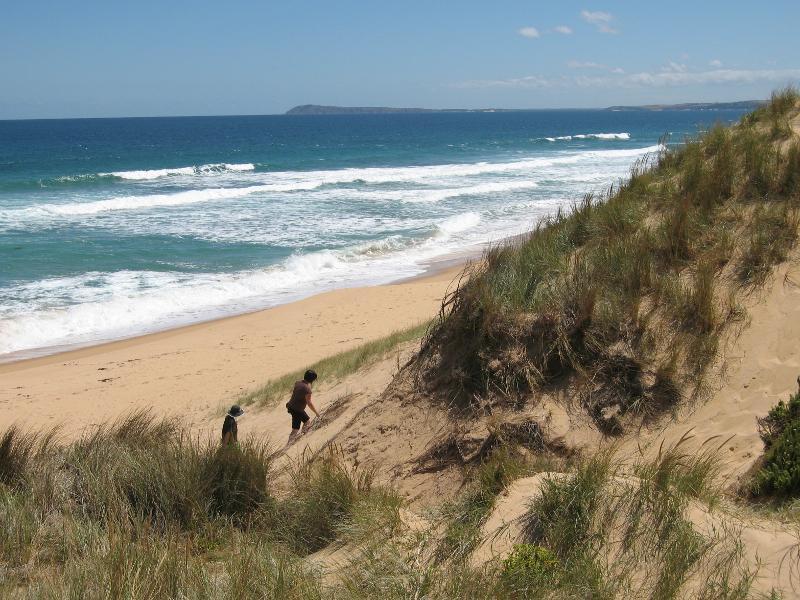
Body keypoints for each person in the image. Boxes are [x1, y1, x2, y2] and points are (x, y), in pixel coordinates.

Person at [285, 369, 320, 447]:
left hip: (291, 405)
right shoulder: (307, 390)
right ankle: (288, 446)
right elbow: (309, 403)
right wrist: (317, 413)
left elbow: (299, 390)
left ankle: (303, 437)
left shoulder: (298, 383)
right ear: (312, 380)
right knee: (295, 430)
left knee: (307, 422)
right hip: (296, 410)